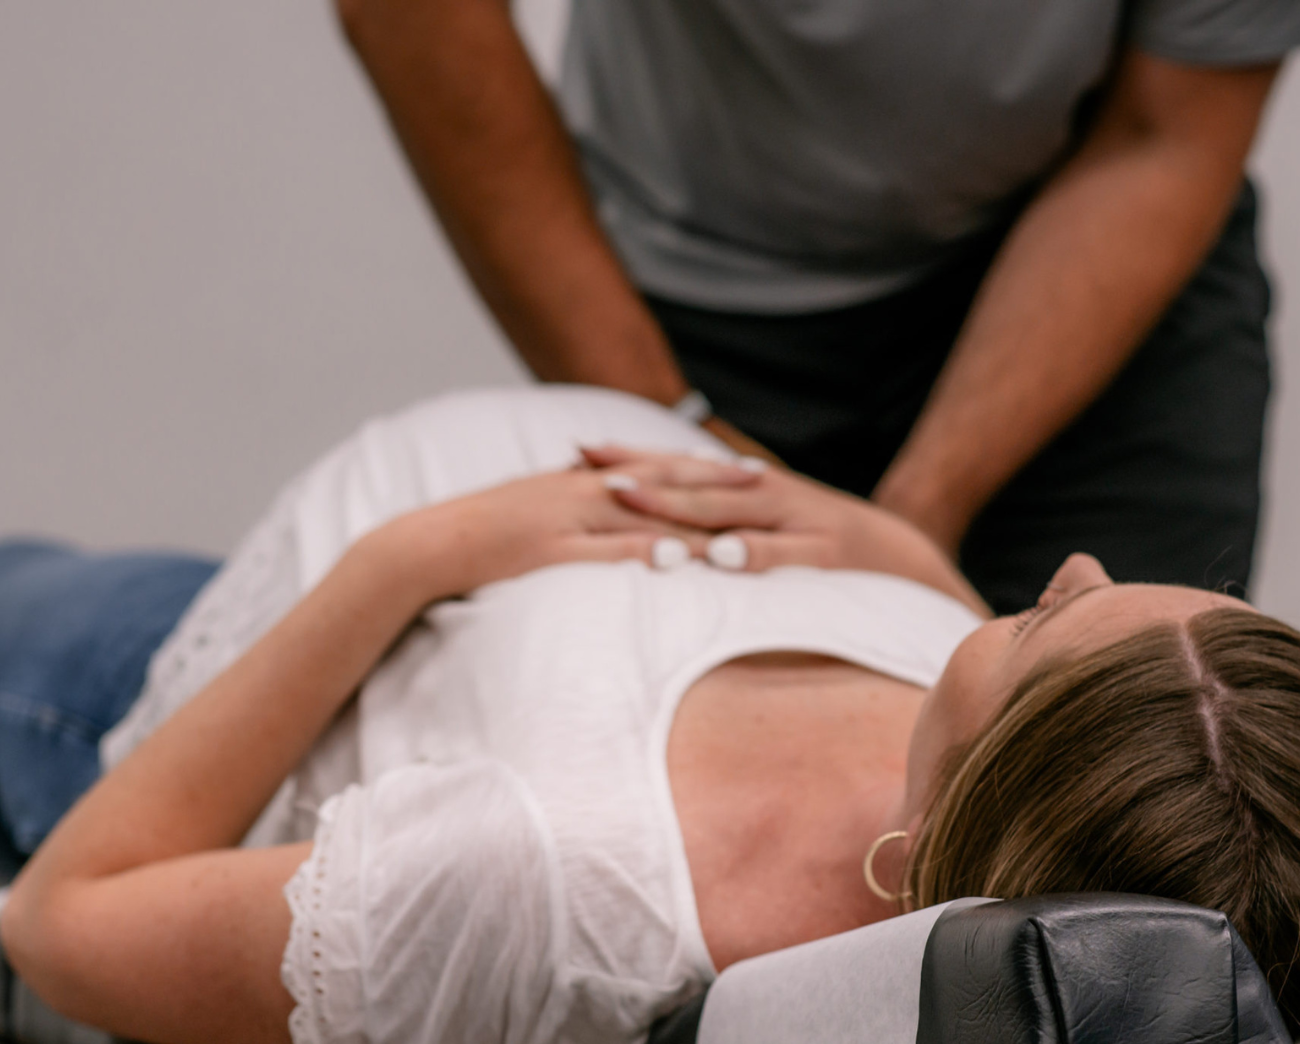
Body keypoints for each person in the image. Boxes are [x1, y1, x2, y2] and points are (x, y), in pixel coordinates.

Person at [1, 387, 1298, 1044]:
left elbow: (66, 922)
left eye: (1037, 623)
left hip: (149, 680)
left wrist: (411, 561)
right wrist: (906, 569)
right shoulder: (984, 801)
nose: (1069, 563)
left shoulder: (551, 890)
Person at [335, 1, 1298, 612]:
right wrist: (670, 419)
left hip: (1097, 277)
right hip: (699, 314)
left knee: (1119, 822)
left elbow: (1162, 131)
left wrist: (920, 511)